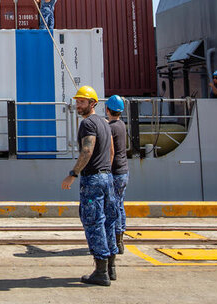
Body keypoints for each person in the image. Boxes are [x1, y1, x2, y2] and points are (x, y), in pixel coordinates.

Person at [61, 85, 118, 286]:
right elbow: (111, 151)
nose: (78, 105)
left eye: (82, 102)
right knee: (109, 222)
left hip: (93, 180)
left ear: (93, 103)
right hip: (107, 178)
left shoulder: (88, 124)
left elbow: (87, 151)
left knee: (94, 223)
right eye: (77, 101)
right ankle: (111, 268)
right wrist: (105, 172)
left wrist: (73, 174)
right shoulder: (105, 123)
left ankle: (100, 272)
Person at [105, 95, 129, 255]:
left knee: (112, 207)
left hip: (114, 172)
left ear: (107, 109)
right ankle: (120, 239)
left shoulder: (110, 128)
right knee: (119, 205)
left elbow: (110, 151)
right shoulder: (121, 125)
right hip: (124, 171)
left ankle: (115, 241)